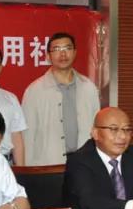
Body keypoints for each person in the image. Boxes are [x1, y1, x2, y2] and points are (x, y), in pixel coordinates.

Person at [21, 32, 100, 166]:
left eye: (67, 48)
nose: (63, 54)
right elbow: (27, 136)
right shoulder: (34, 91)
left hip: (84, 164)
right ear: (48, 56)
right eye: (57, 49)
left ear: (74, 53)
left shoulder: (89, 87)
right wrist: (28, 170)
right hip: (48, 164)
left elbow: (96, 129)